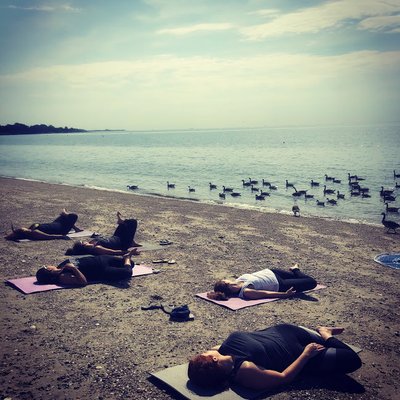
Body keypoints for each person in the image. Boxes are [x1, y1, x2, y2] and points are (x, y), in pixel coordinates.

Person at [188, 324, 362, 390]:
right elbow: (284, 377)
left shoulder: (222, 348)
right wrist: (306, 354)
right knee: (352, 359)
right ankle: (326, 333)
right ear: (215, 360)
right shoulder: (245, 372)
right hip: (303, 353)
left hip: (289, 331)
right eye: (203, 354)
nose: (204, 350)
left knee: (332, 346)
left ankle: (324, 335)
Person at [207, 264, 317, 300]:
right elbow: (265, 294)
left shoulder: (237, 281)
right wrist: (284, 294)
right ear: (227, 286)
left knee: (300, 279)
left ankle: (295, 271)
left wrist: (213, 294)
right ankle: (296, 270)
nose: (227, 279)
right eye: (225, 281)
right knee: (312, 282)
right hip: (280, 285)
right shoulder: (245, 291)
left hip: (273, 272)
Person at [35, 248, 137, 287]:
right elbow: (83, 282)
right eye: (45, 266)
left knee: (131, 263)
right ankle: (127, 257)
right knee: (127, 272)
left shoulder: (60, 267)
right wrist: (73, 269)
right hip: (102, 270)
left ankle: (127, 259)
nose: (48, 264)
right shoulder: (62, 277)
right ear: (48, 270)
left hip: (101, 259)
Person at [65, 211, 140, 256]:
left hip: (115, 237)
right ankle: (130, 242)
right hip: (123, 242)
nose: (84, 241)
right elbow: (114, 252)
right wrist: (131, 252)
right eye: (83, 242)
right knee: (133, 222)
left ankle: (130, 238)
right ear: (84, 246)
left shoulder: (92, 242)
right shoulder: (97, 249)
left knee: (126, 223)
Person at [5, 209, 81, 241]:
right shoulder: (34, 233)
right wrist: (61, 237)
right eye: (22, 229)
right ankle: (65, 214)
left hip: (55, 224)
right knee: (74, 216)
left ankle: (74, 227)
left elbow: (36, 225)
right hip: (61, 229)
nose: (24, 228)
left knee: (64, 217)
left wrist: (35, 226)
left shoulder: (31, 230)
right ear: (23, 232)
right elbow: (48, 237)